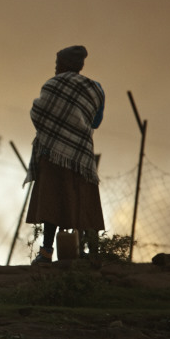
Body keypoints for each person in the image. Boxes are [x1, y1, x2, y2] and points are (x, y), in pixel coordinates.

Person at [25, 45, 105, 265]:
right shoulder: (95, 89)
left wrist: (57, 130)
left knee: (53, 201)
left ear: (65, 64)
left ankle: (46, 253)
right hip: (81, 154)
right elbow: (96, 121)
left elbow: (37, 113)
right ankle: (84, 252)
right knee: (80, 198)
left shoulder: (52, 85)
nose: (55, 67)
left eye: (57, 63)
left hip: (52, 154)